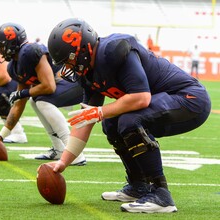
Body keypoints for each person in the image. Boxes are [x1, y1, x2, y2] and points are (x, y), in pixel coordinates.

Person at [46, 18, 211, 213]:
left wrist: (99, 112)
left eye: (70, 59)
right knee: (110, 124)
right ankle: (138, 186)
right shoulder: (89, 73)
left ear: (84, 49)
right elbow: (85, 120)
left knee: (129, 120)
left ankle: (161, 195)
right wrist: (64, 161)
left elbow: (141, 98)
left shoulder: (114, 50)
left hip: (189, 98)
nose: (68, 67)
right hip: (166, 101)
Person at [0, 22, 86, 165]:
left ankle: (73, 152)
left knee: (41, 100)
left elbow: (49, 86)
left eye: (2, 46)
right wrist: (1, 136)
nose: (0, 51)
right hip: (64, 84)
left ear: (12, 43)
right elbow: (18, 105)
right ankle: (59, 149)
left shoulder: (30, 51)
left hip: (78, 83)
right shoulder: (14, 67)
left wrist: (23, 93)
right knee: (34, 100)